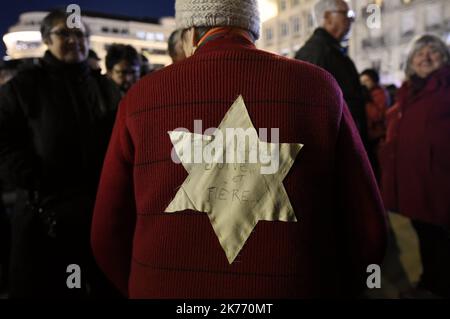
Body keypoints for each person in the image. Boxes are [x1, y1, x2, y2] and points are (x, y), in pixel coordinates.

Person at [91, 0, 387, 298]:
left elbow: (106, 233)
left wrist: (143, 285)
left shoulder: (141, 98)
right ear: (252, 27)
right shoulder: (319, 87)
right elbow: (368, 229)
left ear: (190, 33)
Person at [0, 10, 121, 298]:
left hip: (96, 211)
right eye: (64, 33)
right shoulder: (23, 86)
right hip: (43, 214)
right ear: (46, 39)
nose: (74, 40)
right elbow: (4, 140)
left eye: (80, 34)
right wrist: (33, 178)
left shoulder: (105, 88)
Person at [380, 34, 450, 298]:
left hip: (440, 183)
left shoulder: (445, 88)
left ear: (444, 60)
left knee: (441, 240)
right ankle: (430, 280)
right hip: (416, 183)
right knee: (425, 235)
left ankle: (440, 286)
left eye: (434, 52)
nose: (426, 56)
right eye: (419, 53)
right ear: (410, 62)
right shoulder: (407, 93)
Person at [295, 0, 368, 146]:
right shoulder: (318, 53)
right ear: (328, 17)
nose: (351, 19)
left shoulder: (331, 51)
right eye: (346, 14)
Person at [360, 69, 390, 181]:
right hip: (367, 135)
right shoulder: (363, 93)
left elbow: (377, 115)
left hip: (376, 136)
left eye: (367, 80)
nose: (363, 83)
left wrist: (367, 102)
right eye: (361, 81)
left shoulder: (380, 94)